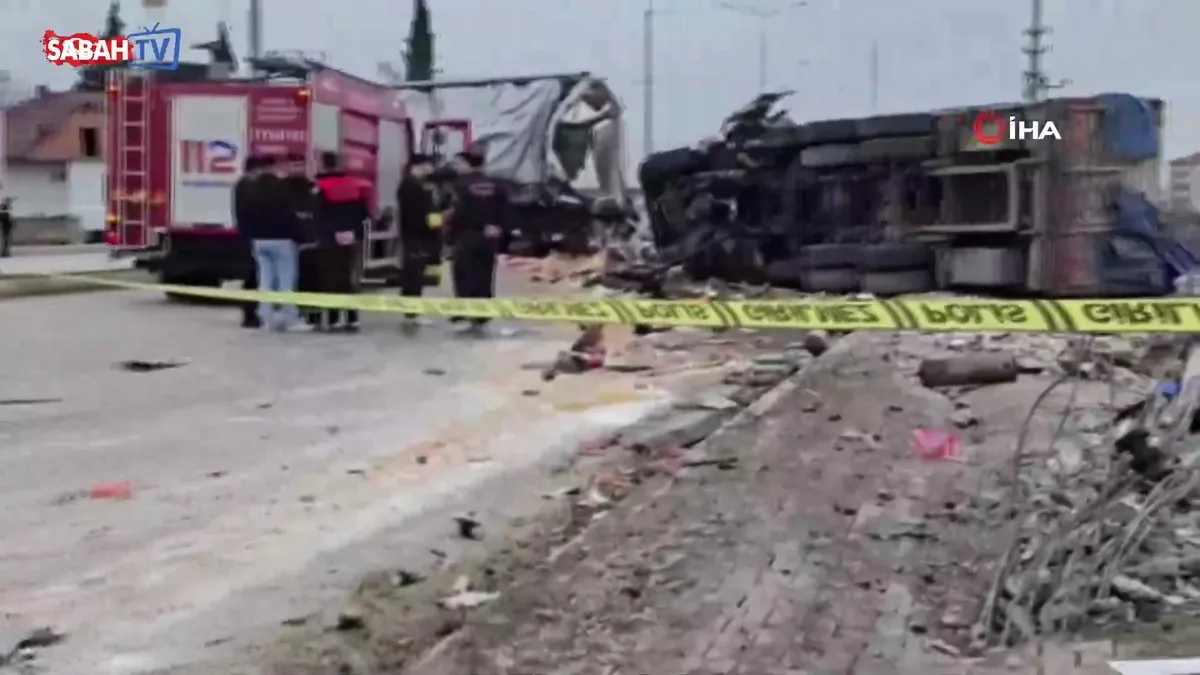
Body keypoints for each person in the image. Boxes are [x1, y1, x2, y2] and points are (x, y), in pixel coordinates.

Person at [445, 148, 508, 334]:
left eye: (458, 163)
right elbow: (506, 209)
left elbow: (458, 212)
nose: (456, 167)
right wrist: (497, 227)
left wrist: (449, 238)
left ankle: (463, 310)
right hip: (489, 236)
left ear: (467, 164)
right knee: (485, 273)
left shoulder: (460, 185)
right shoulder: (496, 184)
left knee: (463, 273)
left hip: (466, 235)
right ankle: (483, 313)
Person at [313, 151, 371, 332]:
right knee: (351, 277)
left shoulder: (319, 187)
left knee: (331, 277)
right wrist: (351, 230)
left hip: (329, 240)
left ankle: (333, 318)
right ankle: (352, 317)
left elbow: (318, 215)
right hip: (353, 237)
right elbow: (364, 213)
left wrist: (333, 232)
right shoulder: (357, 185)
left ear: (322, 164)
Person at [245, 155, 305, 331]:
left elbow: (247, 213)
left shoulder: (251, 188)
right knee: (286, 281)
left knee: (264, 281)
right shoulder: (281, 187)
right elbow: (289, 215)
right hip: (282, 239)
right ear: (273, 166)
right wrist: (299, 236)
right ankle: (290, 318)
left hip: (259, 240)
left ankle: (265, 318)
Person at [396, 153, 437, 323]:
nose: (432, 169)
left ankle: (412, 311)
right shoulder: (411, 185)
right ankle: (411, 312)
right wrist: (435, 224)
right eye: (430, 165)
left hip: (416, 236)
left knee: (415, 274)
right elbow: (419, 215)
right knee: (413, 275)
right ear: (419, 165)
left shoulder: (414, 183)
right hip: (415, 236)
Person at [233, 156, 264, 328]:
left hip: (247, 236)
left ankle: (250, 313)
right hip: (250, 237)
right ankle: (249, 314)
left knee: (252, 276)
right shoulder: (247, 187)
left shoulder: (242, 185)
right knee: (252, 277)